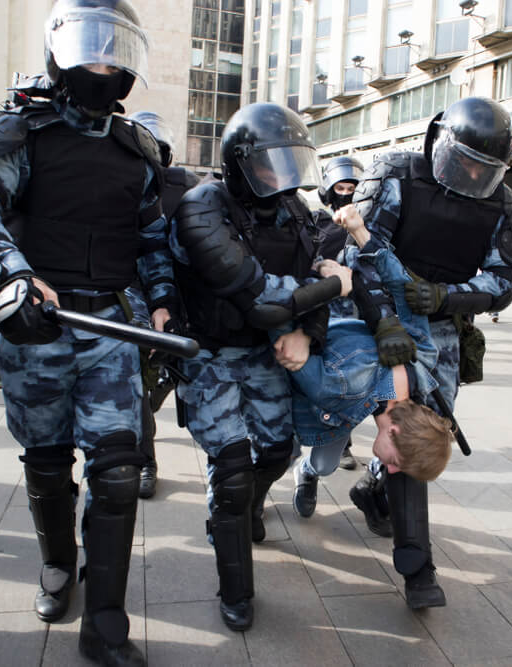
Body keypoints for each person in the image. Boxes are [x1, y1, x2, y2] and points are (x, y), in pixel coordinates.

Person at [0, 2, 169, 664]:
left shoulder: (138, 149)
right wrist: (15, 275)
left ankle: (104, 620)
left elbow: (154, 238)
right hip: (36, 326)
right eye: (92, 53)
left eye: (115, 54)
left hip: (109, 324)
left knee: (120, 469)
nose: (105, 69)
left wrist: (161, 303)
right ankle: (55, 561)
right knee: (46, 458)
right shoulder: (20, 132)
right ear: (62, 54)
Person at [171, 102, 352, 631]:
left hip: (268, 351)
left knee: (278, 448)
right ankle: (236, 590)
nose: (282, 179)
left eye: (290, 165)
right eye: (271, 166)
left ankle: (248, 503)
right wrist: (331, 285)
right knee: (229, 470)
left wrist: (306, 330)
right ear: (240, 163)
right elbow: (263, 299)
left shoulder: (295, 212)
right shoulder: (202, 207)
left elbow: (315, 285)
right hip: (211, 353)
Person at [346, 96, 512, 609]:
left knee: (419, 432)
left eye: (483, 168)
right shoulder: (397, 172)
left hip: (441, 329)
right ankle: (417, 565)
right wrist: (384, 320)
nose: (470, 174)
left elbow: (502, 282)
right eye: (463, 160)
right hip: (373, 315)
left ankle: (400, 537)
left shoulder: (501, 203)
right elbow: (356, 252)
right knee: (367, 428)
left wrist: (448, 297)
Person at [290, 201, 453, 520]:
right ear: (393, 433)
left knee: (323, 464)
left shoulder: (337, 387)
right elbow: (404, 287)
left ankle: (305, 470)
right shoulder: (416, 357)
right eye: (396, 463)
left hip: (334, 395)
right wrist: (358, 231)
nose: (390, 469)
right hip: (328, 357)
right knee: (288, 454)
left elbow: (296, 358)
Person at [127, 110, 199, 499]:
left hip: (179, 299)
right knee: (137, 386)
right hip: (133, 295)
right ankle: (145, 461)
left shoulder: (187, 188)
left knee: (169, 377)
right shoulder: (122, 184)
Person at [313, 155, 365, 470]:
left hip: (357, 311)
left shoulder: (365, 224)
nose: (345, 193)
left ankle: (342, 443)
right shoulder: (318, 222)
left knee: (353, 380)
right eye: (340, 188)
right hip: (324, 308)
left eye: (351, 188)